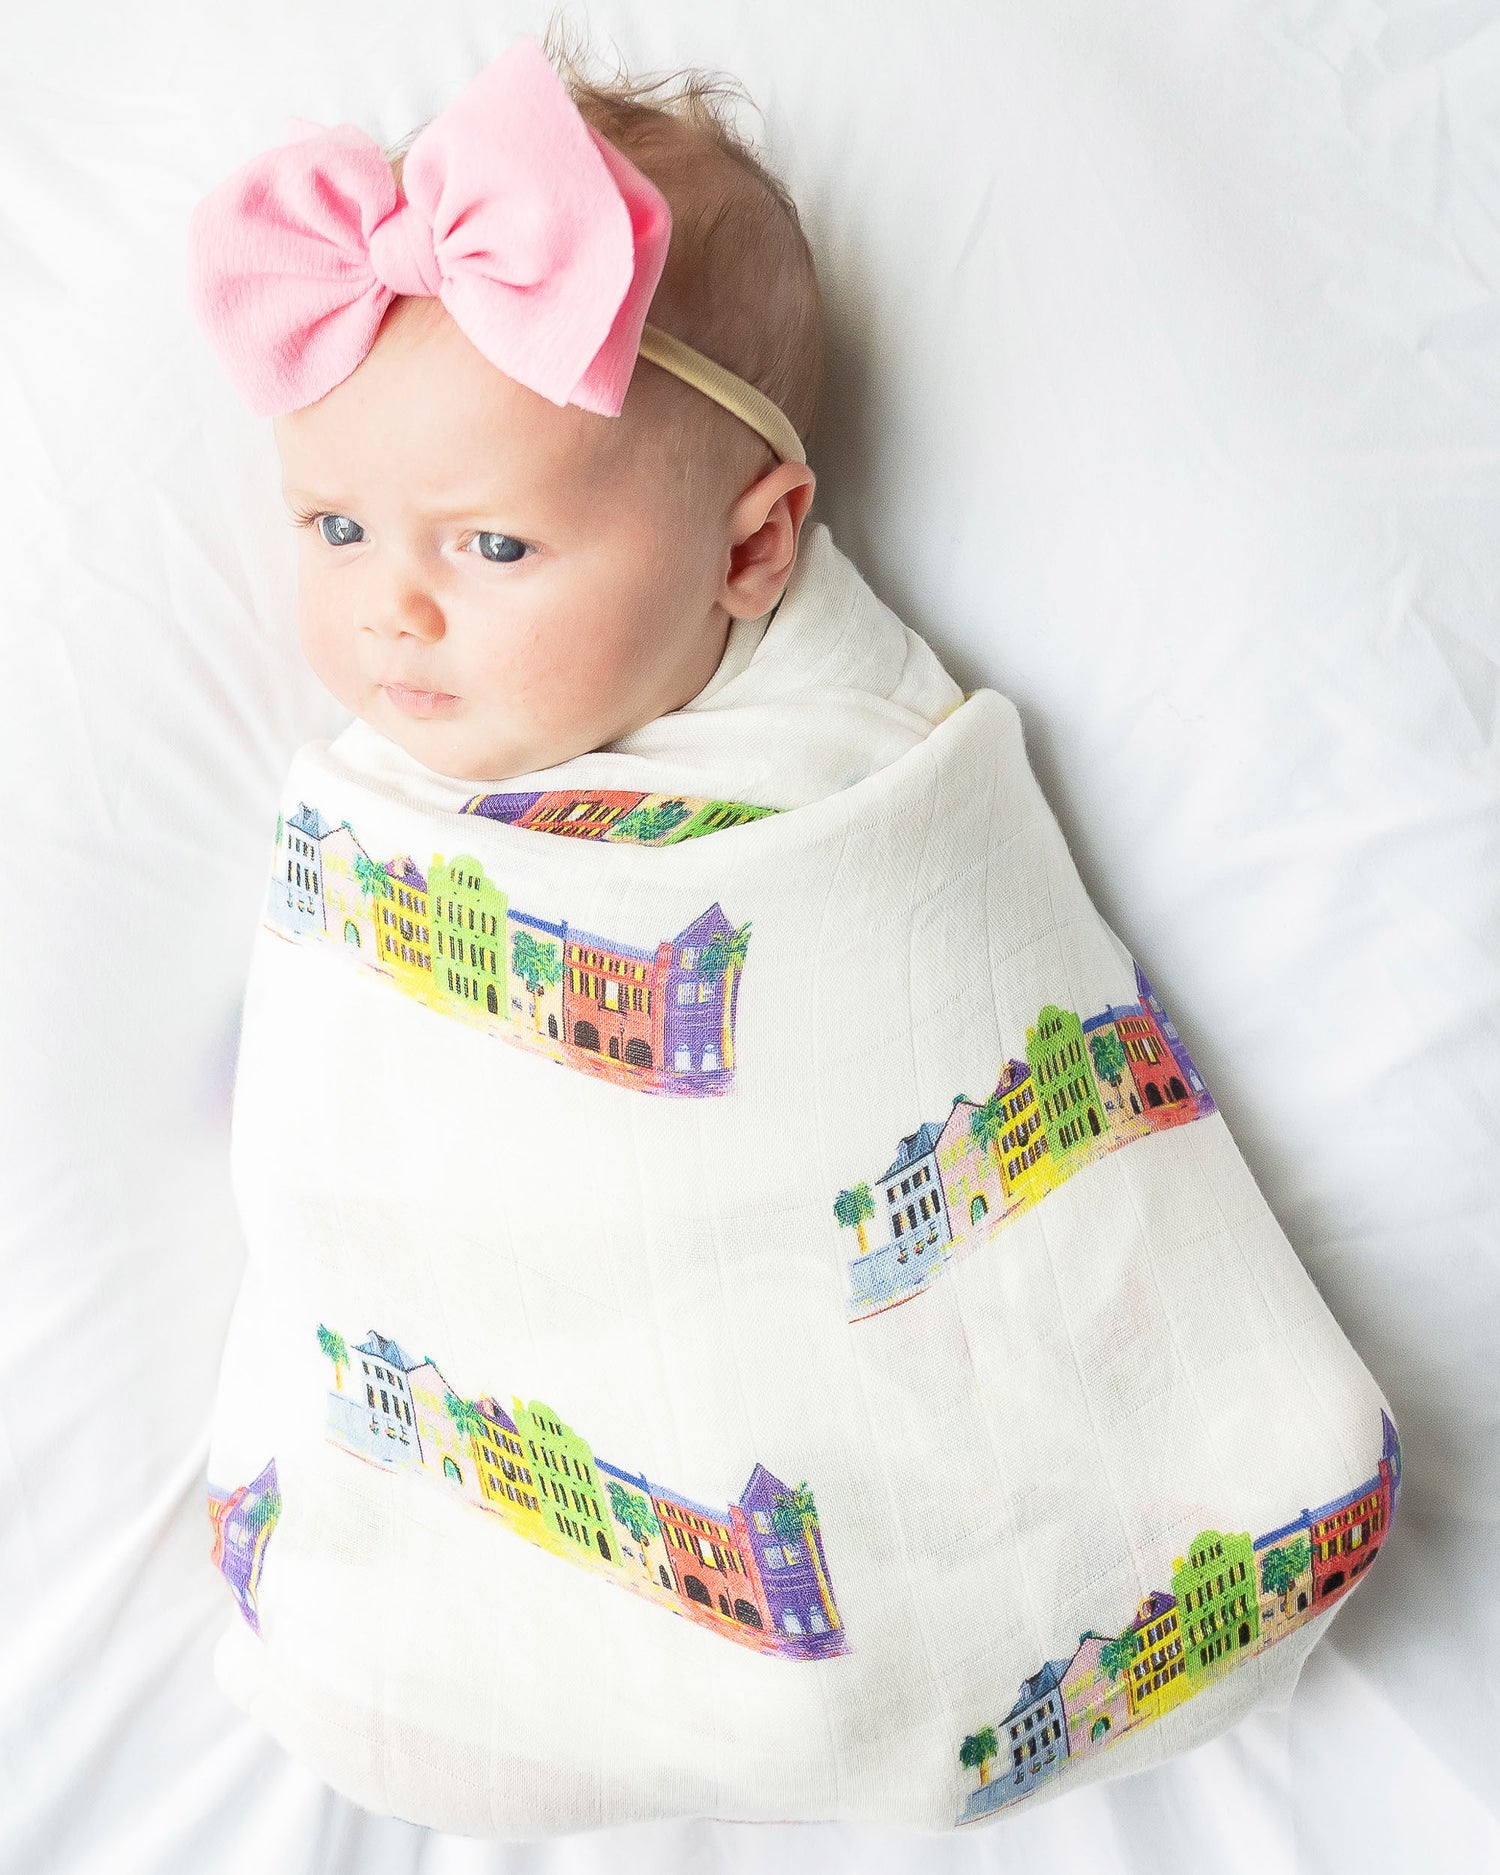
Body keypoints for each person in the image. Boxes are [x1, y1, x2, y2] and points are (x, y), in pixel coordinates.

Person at [186, 20, 1401, 1842]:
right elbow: (341, 1158)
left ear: (754, 552)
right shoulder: (376, 806)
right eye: (338, 525)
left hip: (851, 1445)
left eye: (492, 548)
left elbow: (951, 1033)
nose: (393, 618)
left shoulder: (860, 791)